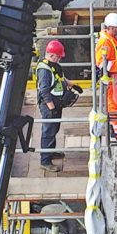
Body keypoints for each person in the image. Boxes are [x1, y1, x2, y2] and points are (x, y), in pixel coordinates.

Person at [37, 40, 73, 172]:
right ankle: (45, 161)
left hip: (56, 104)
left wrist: (72, 84)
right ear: (52, 55)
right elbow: (44, 91)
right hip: (49, 106)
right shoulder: (44, 70)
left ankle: (50, 152)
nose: (60, 59)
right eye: (58, 56)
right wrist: (51, 107)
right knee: (48, 132)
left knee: (54, 129)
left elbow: (59, 78)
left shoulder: (53, 65)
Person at [95, 12, 117, 140]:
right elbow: (101, 63)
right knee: (114, 107)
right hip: (111, 81)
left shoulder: (113, 39)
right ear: (110, 27)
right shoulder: (104, 42)